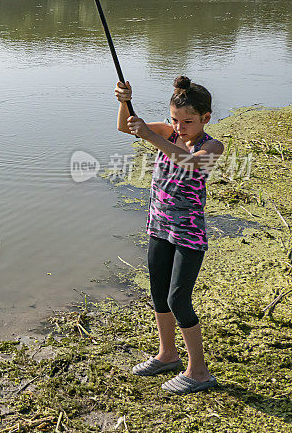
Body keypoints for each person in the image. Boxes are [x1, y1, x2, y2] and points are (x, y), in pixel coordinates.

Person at [114, 76, 224, 395]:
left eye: (188, 121)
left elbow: (190, 165)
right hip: (159, 227)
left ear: (205, 118)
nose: (180, 126)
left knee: (179, 300)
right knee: (159, 294)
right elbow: (126, 127)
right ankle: (167, 355)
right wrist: (124, 101)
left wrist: (150, 134)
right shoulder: (167, 132)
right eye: (175, 119)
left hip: (188, 235)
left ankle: (199, 372)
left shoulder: (211, 146)